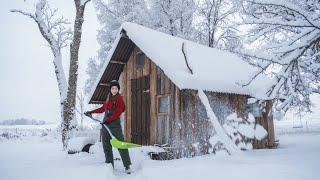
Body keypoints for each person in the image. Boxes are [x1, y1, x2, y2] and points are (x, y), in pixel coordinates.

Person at [84, 80, 132, 174]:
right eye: (112, 88)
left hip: (114, 125)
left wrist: (108, 120)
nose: (114, 90)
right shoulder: (108, 98)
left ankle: (127, 166)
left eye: (116, 88)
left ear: (118, 89)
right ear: (110, 89)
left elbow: (118, 113)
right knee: (106, 145)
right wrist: (91, 112)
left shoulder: (119, 99)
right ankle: (109, 165)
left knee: (121, 145)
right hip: (105, 124)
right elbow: (102, 109)